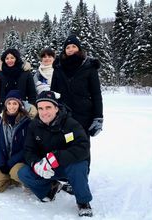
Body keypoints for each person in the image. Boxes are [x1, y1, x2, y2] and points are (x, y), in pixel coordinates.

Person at [18, 91, 93, 217]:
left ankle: (83, 202)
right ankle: (50, 188)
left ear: (56, 108)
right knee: (23, 173)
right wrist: (36, 164)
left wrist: (56, 157)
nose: (44, 112)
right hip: (47, 167)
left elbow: (83, 148)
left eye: (48, 107)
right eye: (40, 108)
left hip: (68, 166)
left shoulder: (71, 124)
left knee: (79, 165)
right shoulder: (34, 125)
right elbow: (28, 150)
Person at [51, 35, 103, 194]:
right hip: (64, 115)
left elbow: (96, 94)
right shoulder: (59, 67)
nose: (71, 49)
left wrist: (98, 117)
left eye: (74, 47)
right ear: (64, 51)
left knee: (82, 146)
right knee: (65, 145)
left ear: (79, 49)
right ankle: (68, 176)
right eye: (68, 47)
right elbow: (53, 92)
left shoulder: (89, 67)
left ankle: (81, 178)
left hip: (84, 115)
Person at [0, 90, 35, 192]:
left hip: (21, 161)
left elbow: (26, 148)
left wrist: (9, 164)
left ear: (19, 105)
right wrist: (1, 165)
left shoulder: (27, 122)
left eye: (15, 103)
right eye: (9, 103)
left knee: (15, 172)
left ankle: (27, 180)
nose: (11, 106)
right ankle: (13, 180)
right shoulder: (1, 120)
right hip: (6, 162)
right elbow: (0, 145)